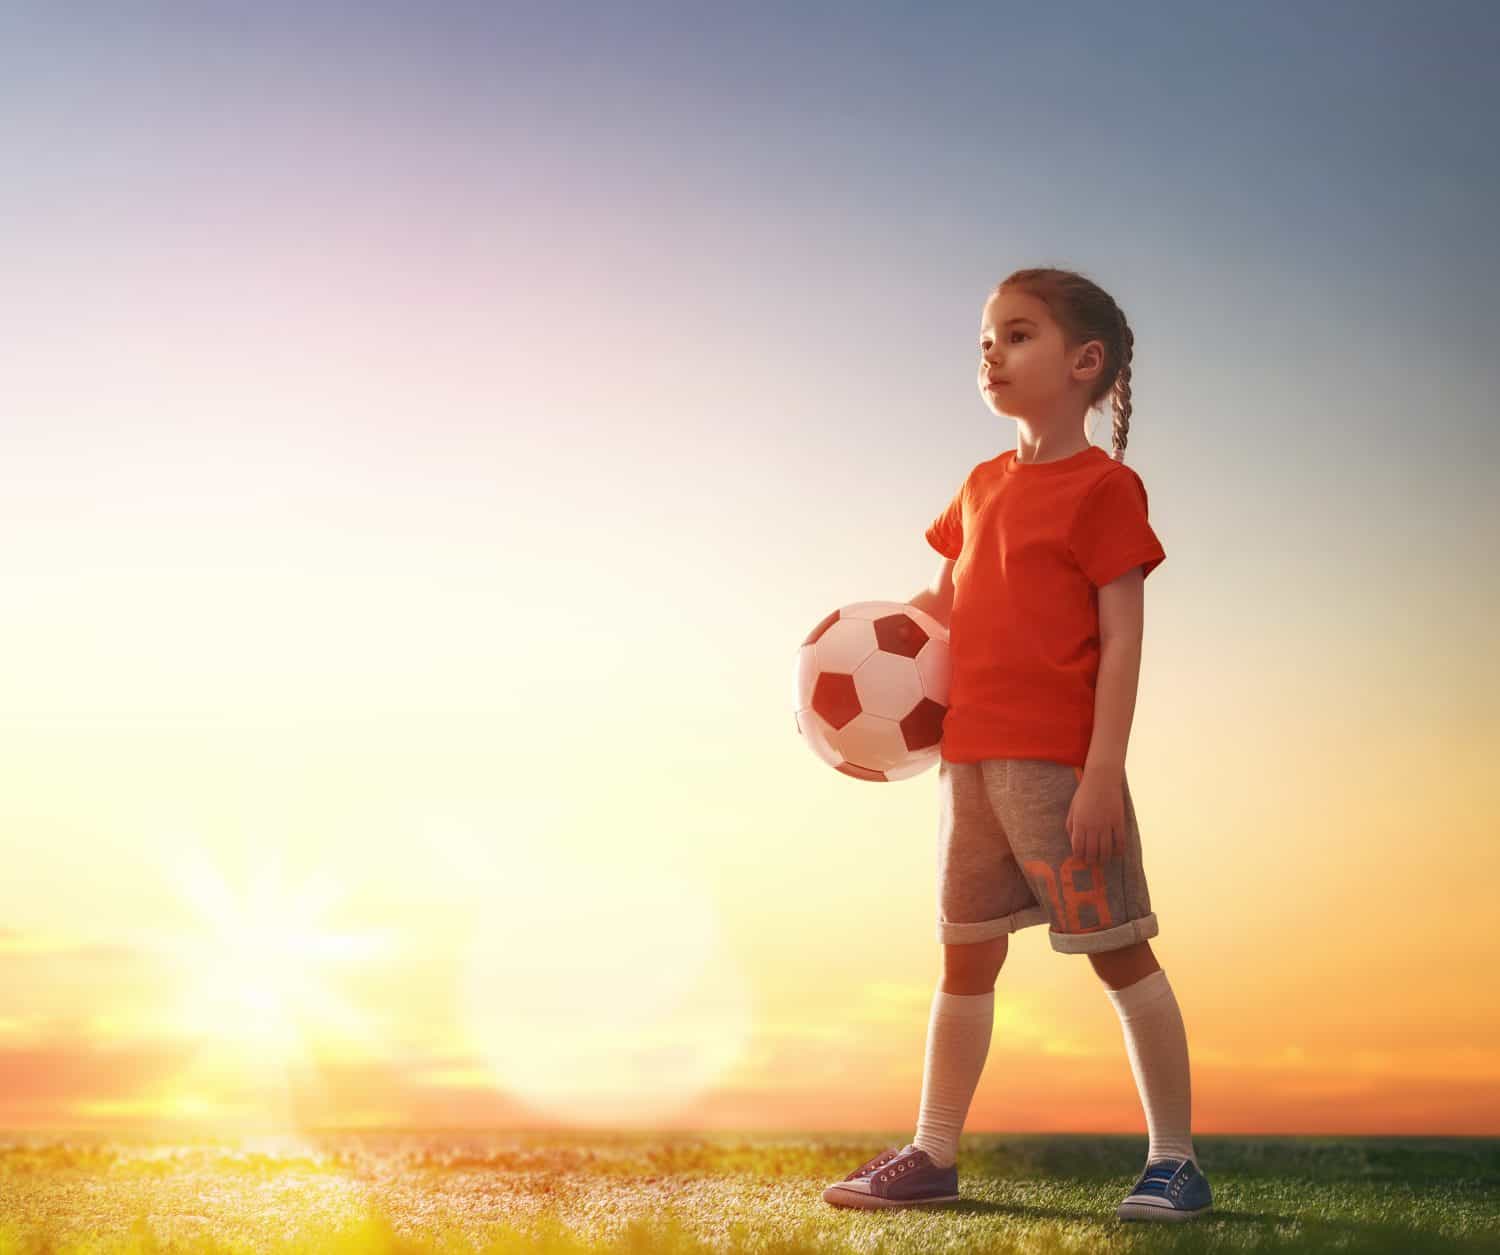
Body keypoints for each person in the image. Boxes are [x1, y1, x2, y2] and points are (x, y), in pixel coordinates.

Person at [822, 268, 1211, 1221]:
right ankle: (934, 1150)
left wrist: (1103, 775)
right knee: (964, 958)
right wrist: (840, 662)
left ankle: (1176, 1161)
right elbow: (941, 608)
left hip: (1059, 776)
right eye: (987, 337)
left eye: (1019, 334)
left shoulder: (1106, 489)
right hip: (967, 769)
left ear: (1085, 364)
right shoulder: (978, 484)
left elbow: (1123, 639)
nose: (992, 350)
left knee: (1118, 951)